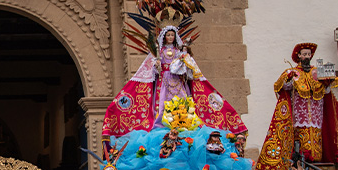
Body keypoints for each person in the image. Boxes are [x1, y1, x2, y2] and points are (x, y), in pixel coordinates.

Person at [103, 26, 247, 137]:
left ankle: (185, 122)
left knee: (183, 100)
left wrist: (184, 60)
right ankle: (161, 123)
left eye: (172, 35)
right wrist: (157, 65)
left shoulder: (179, 52)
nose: (170, 37)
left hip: (177, 81)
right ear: (164, 37)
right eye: (168, 35)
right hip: (164, 81)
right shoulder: (159, 51)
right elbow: (149, 69)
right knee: (163, 103)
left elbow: (188, 67)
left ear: (175, 36)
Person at [256, 43, 338, 170]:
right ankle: (300, 168)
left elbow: (327, 92)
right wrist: (289, 79)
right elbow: (282, 86)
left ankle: (316, 168)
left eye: (309, 54)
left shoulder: (317, 72)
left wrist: (327, 83)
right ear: (298, 55)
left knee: (317, 145)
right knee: (301, 148)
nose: (306, 57)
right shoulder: (291, 72)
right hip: (299, 118)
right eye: (304, 54)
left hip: (316, 118)